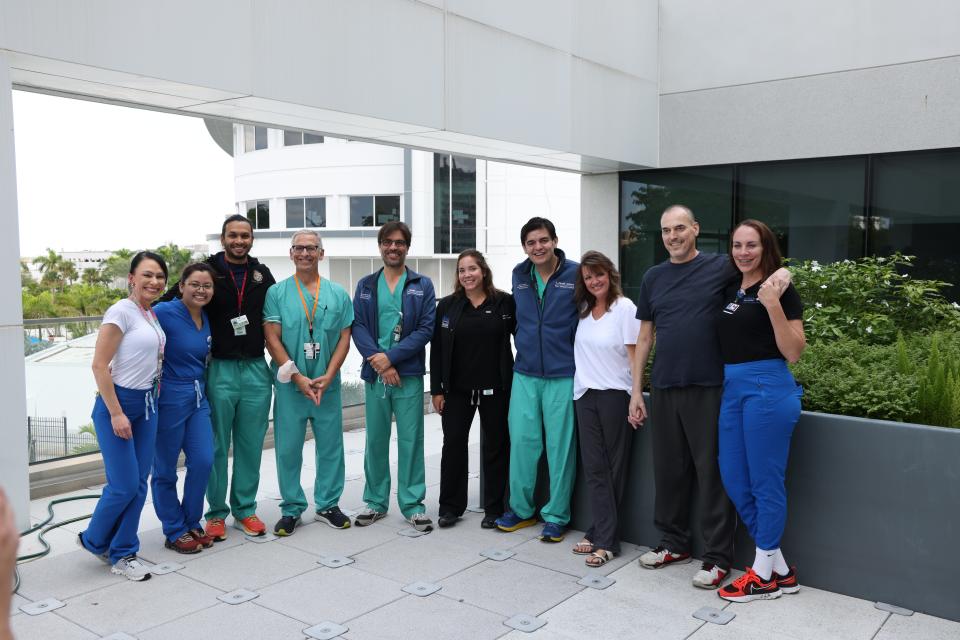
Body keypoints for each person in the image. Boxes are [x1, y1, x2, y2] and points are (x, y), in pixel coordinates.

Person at [629, 205, 791, 589]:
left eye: (680, 228)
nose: (673, 236)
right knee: (668, 471)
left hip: (710, 386)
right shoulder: (653, 277)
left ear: (696, 229)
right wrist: (637, 390)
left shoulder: (721, 266)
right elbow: (645, 336)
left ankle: (717, 558)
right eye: (667, 230)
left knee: (712, 474)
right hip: (665, 387)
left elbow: (763, 267)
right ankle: (673, 543)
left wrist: (784, 272)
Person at [159, 214, 276, 540]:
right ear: (223, 239)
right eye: (233, 236)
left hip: (255, 368)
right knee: (216, 446)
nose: (239, 241)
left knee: (251, 444)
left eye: (245, 236)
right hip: (219, 369)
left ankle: (245, 510)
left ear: (251, 239)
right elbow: (168, 302)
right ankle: (215, 514)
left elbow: (275, 318)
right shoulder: (207, 271)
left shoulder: (261, 274)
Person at [716, 220, 806, 603]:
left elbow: (794, 351)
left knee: (765, 483)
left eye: (751, 245)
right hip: (733, 389)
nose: (743, 252)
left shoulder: (780, 291)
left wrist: (771, 303)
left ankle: (762, 575)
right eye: (737, 244)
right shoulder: (728, 286)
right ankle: (780, 568)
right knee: (734, 477)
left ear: (765, 247)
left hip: (768, 389)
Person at [78, 251, 168, 581]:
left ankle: (122, 552)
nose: (154, 281)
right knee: (124, 485)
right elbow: (99, 365)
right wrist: (116, 413)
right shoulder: (121, 312)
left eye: (159, 276)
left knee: (139, 484)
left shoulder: (150, 314)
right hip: (118, 406)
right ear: (132, 278)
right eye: (147, 275)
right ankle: (95, 539)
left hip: (147, 405)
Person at [264, 230, 354, 536]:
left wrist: (329, 374)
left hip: (326, 383)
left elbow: (344, 337)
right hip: (291, 385)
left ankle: (328, 504)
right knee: (288, 449)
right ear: (291, 254)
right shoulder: (277, 293)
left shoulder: (337, 294)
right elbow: (272, 338)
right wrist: (297, 376)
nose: (305, 253)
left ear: (321, 253)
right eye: (299, 248)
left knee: (331, 447)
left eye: (311, 248)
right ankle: (291, 508)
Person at [496, 217, 579, 543]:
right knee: (523, 444)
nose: (538, 247)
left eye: (543, 240)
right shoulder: (520, 275)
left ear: (555, 241)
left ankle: (556, 516)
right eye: (531, 242)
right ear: (525, 247)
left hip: (562, 374)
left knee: (560, 448)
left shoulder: (574, 274)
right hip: (526, 373)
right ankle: (521, 509)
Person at [352, 221, 436, 531]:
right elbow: (357, 326)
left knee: (412, 441)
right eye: (388, 242)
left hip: (409, 375)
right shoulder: (365, 285)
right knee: (375, 440)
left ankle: (413, 504)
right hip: (376, 376)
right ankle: (375, 502)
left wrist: (392, 358)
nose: (393, 247)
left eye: (399, 242)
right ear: (380, 246)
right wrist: (381, 363)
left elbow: (426, 329)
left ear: (407, 247)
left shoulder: (422, 284)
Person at [430, 249, 515, 529]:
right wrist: (436, 390)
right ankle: (451, 507)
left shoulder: (504, 303)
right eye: (462, 270)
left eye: (472, 269)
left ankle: (493, 507)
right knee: (453, 445)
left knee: (496, 447)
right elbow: (437, 349)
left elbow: (524, 338)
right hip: (456, 390)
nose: (467, 275)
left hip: (497, 389)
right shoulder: (447, 306)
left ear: (484, 271)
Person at [571, 251, 641, 567]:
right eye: (588, 277)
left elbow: (635, 356)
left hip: (615, 396)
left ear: (609, 274)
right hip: (585, 395)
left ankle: (606, 540)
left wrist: (636, 396)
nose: (594, 281)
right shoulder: (584, 310)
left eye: (598, 274)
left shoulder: (624, 309)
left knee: (614, 469)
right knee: (595, 468)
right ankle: (599, 529)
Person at [150, 263, 217, 554]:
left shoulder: (206, 316)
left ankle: (191, 521)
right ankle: (174, 528)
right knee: (164, 469)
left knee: (203, 460)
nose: (201, 290)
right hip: (170, 397)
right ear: (181, 286)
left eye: (207, 286)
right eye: (195, 284)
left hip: (198, 395)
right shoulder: (164, 312)